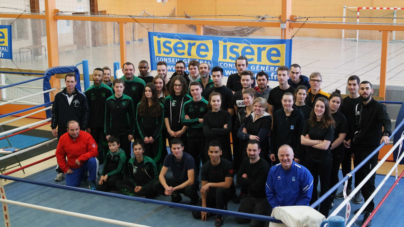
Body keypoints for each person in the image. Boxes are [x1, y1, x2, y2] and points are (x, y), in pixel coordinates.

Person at [352, 81, 391, 226]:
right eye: (362, 89)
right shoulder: (358, 106)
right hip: (358, 148)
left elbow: (386, 122)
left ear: (371, 91)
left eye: (367, 89)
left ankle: (369, 211)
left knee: (369, 181)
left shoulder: (379, 107)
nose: (364, 91)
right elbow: (357, 125)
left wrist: (386, 134)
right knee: (360, 179)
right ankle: (365, 206)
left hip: (371, 150)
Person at [51, 73, 89, 181]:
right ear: (65, 82)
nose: (70, 84)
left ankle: (82, 170)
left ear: (76, 82)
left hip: (78, 130)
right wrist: (54, 126)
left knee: (80, 150)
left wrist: (83, 128)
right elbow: (55, 112)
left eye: (72, 81)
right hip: (63, 128)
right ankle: (60, 171)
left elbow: (86, 113)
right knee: (61, 151)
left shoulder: (81, 96)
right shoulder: (58, 96)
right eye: (68, 81)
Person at [301, 97, 334, 217]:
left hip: (324, 161)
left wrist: (310, 141)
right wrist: (318, 141)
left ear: (325, 109)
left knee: (325, 187)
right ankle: (313, 209)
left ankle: (324, 213)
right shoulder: (309, 121)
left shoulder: (329, 124)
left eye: (322, 107)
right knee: (312, 186)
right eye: (317, 106)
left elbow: (325, 146)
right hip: (310, 159)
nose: (319, 109)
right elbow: (302, 140)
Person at [192, 141, 235, 227]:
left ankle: (219, 216)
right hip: (212, 192)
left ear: (220, 152)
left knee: (219, 191)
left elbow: (227, 184)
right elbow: (204, 188)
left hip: (226, 191)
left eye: (216, 152)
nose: (213, 154)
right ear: (208, 152)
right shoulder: (205, 167)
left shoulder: (228, 165)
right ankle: (218, 207)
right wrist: (204, 206)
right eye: (211, 152)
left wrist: (209, 184)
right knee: (196, 214)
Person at [335, 76, 361, 200]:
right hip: (344, 140)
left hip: (358, 141)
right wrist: (344, 138)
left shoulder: (362, 102)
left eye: (354, 84)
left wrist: (353, 139)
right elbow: (342, 122)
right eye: (349, 84)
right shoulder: (343, 102)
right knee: (345, 166)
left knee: (358, 166)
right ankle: (347, 188)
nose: (351, 87)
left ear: (358, 86)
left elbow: (362, 124)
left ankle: (358, 191)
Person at [152, 138, 199, 204]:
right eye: (174, 148)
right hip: (176, 181)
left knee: (189, 191)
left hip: (188, 184)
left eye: (178, 148)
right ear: (170, 149)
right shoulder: (168, 157)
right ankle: (175, 196)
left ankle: (195, 199)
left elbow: (191, 181)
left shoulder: (189, 159)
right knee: (156, 185)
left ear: (182, 148)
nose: (176, 150)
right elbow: (161, 175)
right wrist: (167, 187)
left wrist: (174, 189)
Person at [236, 140, 270, 227]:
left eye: (254, 150)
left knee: (255, 225)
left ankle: (263, 211)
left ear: (259, 151)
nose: (251, 153)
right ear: (246, 150)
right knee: (239, 219)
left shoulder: (264, 166)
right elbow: (238, 179)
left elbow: (257, 187)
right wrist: (252, 180)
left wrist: (246, 180)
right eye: (249, 150)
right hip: (250, 195)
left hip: (262, 199)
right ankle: (254, 211)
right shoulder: (245, 161)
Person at [55, 120, 98, 189]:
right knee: (70, 186)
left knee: (93, 160)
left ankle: (92, 180)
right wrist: (65, 168)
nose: (75, 132)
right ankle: (82, 175)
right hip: (73, 165)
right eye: (72, 130)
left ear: (79, 128)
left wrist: (81, 158)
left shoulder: (87, 136)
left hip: (86, 162)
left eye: (76, 129)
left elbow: (94, 151)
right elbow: (59, 155)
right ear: (67, 130)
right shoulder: (63, 138)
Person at [85, 68, 113, 164]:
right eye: (95, 75)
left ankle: (110, 161)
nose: (97, 77)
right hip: (93, 124)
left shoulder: (108, 90)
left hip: (105, 123)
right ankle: (96, 162)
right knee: (94, 144)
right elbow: (86, 110)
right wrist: (87, 125)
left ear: (102, 77)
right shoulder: (88, 92)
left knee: (108, 143)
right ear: (92, 76)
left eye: (99, 75)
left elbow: (111, 108)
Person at [182, 82, 209, 178]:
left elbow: (207, 122)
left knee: (205, 159)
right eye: (192, 90)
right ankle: (193, 181)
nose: (195, 92)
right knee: (193, 160)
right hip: (191, 136)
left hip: (203, 136)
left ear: (201, 90)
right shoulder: (186, 104)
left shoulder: (207, 104)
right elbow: (183, 121)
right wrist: (198, 120)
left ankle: (206, 180)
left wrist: (191, 121)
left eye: (197, 89)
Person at [270, 92, 305, 165]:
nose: (287, 103)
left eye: (289, 101)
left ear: (293, 101)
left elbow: (300, 136)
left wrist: (297, 155)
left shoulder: (299, 115)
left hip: (292, 152)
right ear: (281, 101)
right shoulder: (277, 113)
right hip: (279, 151)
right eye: (285, 101)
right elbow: (274, 134)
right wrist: (272, 151)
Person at [136, 83, 165, 169]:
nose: (147, 93)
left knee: (156, 156)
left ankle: (157, 175)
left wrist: (154, 137)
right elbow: (138, 122)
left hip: (156, 136)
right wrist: (144, 136)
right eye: (146, 91)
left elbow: (161, 123)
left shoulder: (160, 106)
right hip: (144, 135)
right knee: (146, 155)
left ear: (154, 92)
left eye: (150, 91)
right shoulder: (139, 105)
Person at [105, 79, 135, 158]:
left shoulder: (128, 99)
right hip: (113, 132)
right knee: (114, 153)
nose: (118, 88)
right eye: (117, 87)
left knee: (126, 153)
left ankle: (126, 169)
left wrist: (131, 132)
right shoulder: (109, 100)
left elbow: (132, 117)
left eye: (120, 87)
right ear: (113, 87)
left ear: (123, 87)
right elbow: (107, 117)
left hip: (125, 132)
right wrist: (107, 133)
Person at [328, 90, 347, 206]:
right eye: (333, 101)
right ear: (328, 102)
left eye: (337, 102)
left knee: (333, 174)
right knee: (323, 175)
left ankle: (331, 197)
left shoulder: (342, 118)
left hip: (335, 151)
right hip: (321, 151)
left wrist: (328, 147)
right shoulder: (322, 114)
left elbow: (341, 137)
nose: (335, 104)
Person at [237, 97, 271, 163]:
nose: (257, 108)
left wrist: (245, 135)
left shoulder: (266, 119)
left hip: (260, 152)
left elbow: (258, 139)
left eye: (260, 106)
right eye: (255, 106)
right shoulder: (250, 117)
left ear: (264, 108)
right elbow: (238, 133)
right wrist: (249, 136)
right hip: (247, 150)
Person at [164, 75, 191, 151]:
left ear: (183, 86)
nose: (177, 87)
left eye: (179, 85)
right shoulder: (168, 99)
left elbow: (188, 117)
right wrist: (169, 130)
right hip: (171, 131)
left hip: (184, 132)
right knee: (174, 152)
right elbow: (166, 116)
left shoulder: (188, 99)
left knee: (184, 152)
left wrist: (182, 131)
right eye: (175, 85)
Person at [203, 92, 232, 162]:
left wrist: (212, 129)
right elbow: (206, 133)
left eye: (218, 100)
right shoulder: (206, 116)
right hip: (211, 146)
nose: (216, 103)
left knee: (226, 167)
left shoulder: (227, 115)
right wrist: (222, 129)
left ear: (221, 101)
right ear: (210, 102)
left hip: (224, 146)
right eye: (213, 101)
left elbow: (228, 130)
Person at [234, 88, 256, 172]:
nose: (245, 100)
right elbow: (238, 128)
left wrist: (246, 133)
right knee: (244, 161)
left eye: (247, 98)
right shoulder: (240, 112)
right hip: (242, 142)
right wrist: (243, 134)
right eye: (244, 98)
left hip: (254, 142)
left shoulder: (257, 110)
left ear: (253, 98)